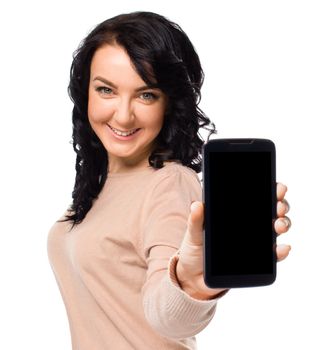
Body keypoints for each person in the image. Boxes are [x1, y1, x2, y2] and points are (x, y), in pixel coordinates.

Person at [47, 11, 292, 350]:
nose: (123, 114)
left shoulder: (169, 184)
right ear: (84, 91)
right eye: (106, 90)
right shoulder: (102, 182)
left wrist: (190, 283)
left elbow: (169, 319)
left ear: (168, 103)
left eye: (146, 94)